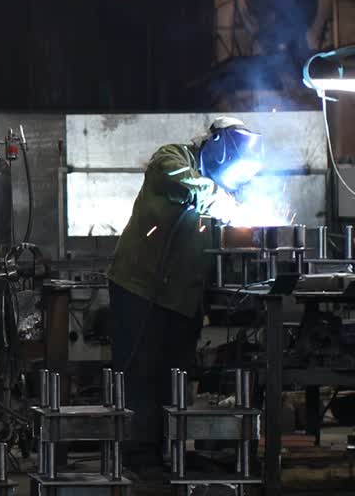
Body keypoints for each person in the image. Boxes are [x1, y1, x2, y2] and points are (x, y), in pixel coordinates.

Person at [107, 117, 265, 465]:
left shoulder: (227, 188)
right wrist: (224, 203)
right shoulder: (173, 159)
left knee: (175, 374)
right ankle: (137, 455)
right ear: (217, 150)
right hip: (139, 286)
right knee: (141, 372)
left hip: (183, 297)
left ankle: (169, 452)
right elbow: (183, 182)